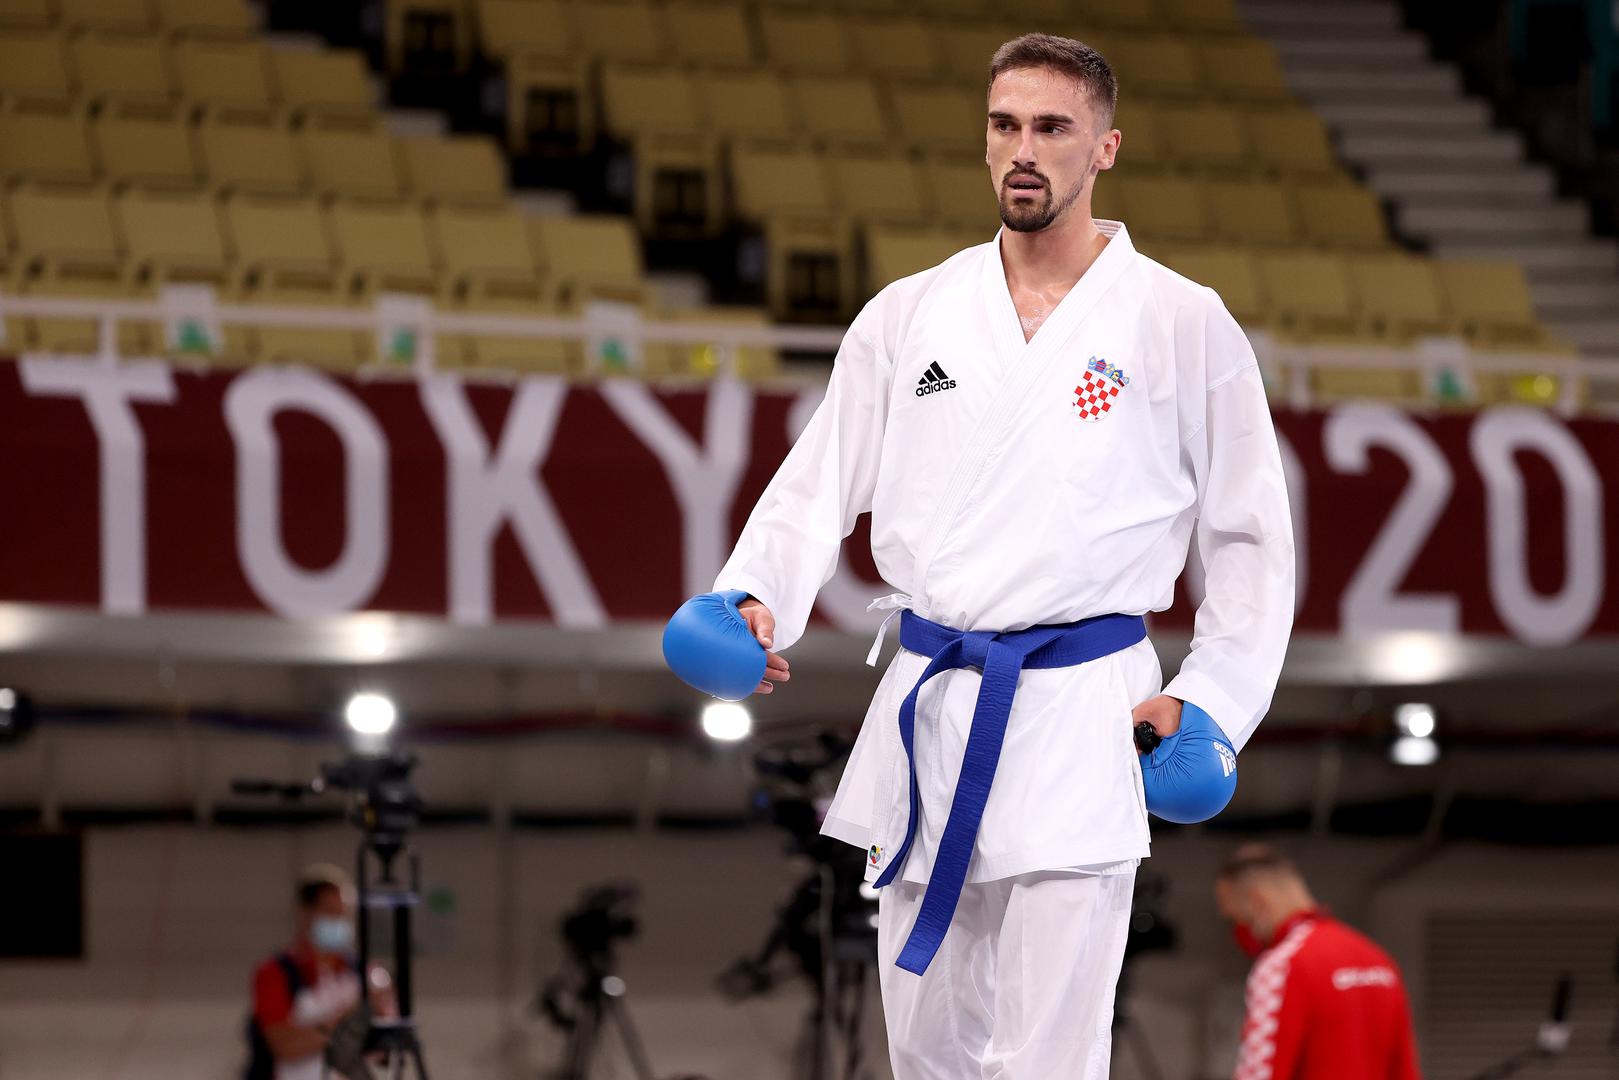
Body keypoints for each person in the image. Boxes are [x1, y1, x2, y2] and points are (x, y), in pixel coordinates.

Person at [691, 31, 1295, 1078]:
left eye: (1052, 127)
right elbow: (817, 480)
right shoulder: (910, 312)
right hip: (931, 701)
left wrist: (1213, 698)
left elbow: (1248, 534)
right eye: (1004, 125)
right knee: (924, 1050)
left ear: (1104, 148)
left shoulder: (1179, 321)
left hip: (1081, 711)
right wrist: (752, 593)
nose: (1023, 149)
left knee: (1049, 1057)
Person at [1216, 844, 1421, 1080]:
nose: (1239, 929)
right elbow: (1406, 1073)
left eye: (1235, 918)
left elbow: (1259, 1075)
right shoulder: (1379, 961)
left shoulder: (1282, 967)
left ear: (1257, 901)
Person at [245, 863, 362, 1080]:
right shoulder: (276, 973)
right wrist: (349, 1021)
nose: (338, 921)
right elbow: (286, 1047)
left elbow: (383, 1048)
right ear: (305, 913)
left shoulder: (362, 972)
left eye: (343, 914)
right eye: (330, 911)